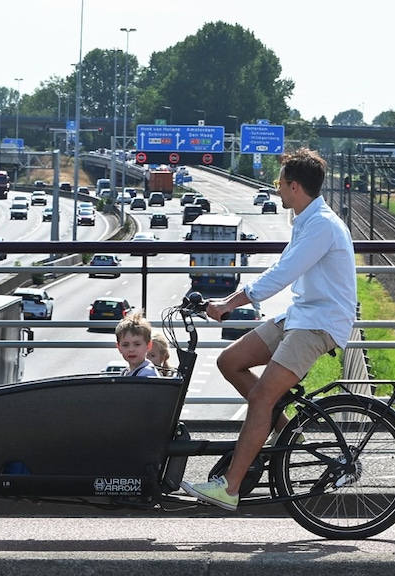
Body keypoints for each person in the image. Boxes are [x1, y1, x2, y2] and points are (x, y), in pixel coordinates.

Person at [181, 148, 357, 511]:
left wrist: (230, 303)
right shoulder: (306, 219)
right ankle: (285, 428)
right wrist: (235, 299)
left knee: (262, 397)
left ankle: (229, 488)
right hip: (300, 315)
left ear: (294, 186)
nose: (277, 189)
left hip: (319, 324)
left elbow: (283, 273)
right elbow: (281, 267)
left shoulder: (322, 225)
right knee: (230, 361)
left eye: (280, 184)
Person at [114, 309, 159, 377]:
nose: (131, 349)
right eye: (125, 345)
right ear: (119, 347)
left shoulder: (147, 374)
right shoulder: (126, 372)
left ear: (148, 345)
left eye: (137, 344)